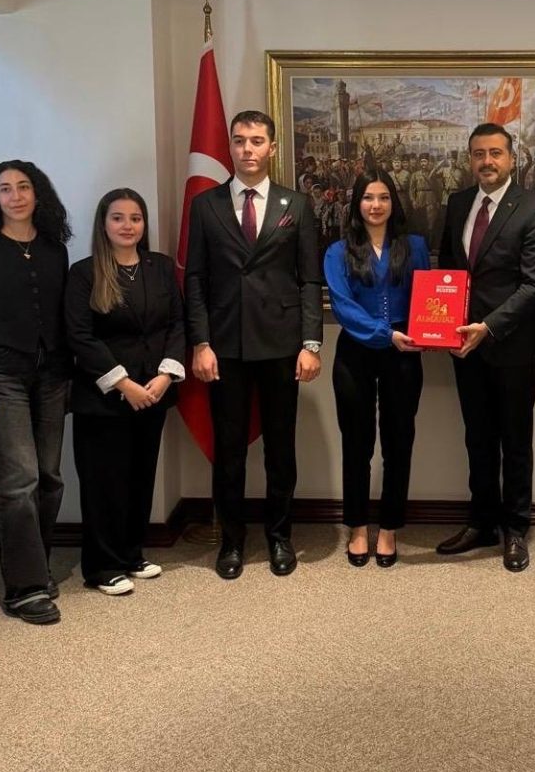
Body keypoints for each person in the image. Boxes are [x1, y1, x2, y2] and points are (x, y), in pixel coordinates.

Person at [185, 109, 323, 580]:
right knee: (230, 450)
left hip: (283, 345)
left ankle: (280, 536)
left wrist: (311, 344)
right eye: (240, 140)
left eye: (257, 140)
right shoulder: (206, 205)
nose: (247, 149)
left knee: (281, 448)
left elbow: (309, 279)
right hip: (225, 346)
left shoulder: (296, 205)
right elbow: (196, 279)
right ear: (230, 145)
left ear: (272, 148)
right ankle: (232, 540)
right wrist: (200, 342)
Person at [0, 161, 72, 624]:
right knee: (17, 480)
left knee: (49, 477)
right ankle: (24, 589)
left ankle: (37, 568)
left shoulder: (54, 249)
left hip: (52, 376)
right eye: (5, 189)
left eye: (24, 187)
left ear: (38, 194)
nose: (16, 196)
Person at [435, 122, 535, 572]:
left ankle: (515, 529)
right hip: (464, 346)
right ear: (470, 159)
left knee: (515, 440)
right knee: (477, 437)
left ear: (512, 158)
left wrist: (487, 326)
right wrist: (442, 326)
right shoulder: (458, 204)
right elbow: (449, 271)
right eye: (479, 154)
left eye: (495, 153)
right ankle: (481, 522)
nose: (487, 161)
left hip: (512, 345)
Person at [65, 189, 185, 595]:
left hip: (153, 392)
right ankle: (101, 566)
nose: (128, 225)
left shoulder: (160, 267)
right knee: (104, 483)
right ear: (103, 224)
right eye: (118, 218)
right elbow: (80, 336)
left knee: (139, 476)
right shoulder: (84, 273)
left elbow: (177, 324)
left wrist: (166, 375)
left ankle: (132, 554)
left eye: (136, 218)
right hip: (104, 398)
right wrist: (123, 383)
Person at [323, 169, 430, 567]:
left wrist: (430, 330)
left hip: (405, 352)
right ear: (356, 204)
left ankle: (389, 528)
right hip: (356, 352)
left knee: (399, 442)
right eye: (368, 197)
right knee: (357, 443)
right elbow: (342, 305)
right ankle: (357, 527)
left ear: (393, 202)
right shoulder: (337, 252)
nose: (376, 205)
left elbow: (428, 296)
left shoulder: (415, 246)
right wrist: (385, 334)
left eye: (383, 197)